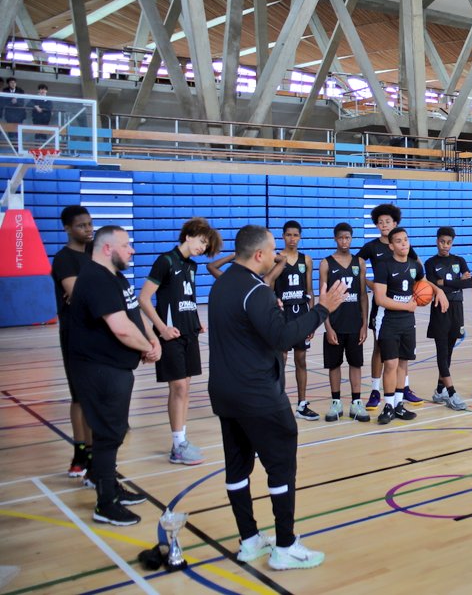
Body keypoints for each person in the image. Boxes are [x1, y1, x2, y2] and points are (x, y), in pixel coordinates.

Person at [207, 225, 344, 569]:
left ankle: (249, 540)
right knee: (281, 468)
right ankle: (285, 546)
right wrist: (322, 309)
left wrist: (270, 313)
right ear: (258, 255)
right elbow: (283, 338)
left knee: (237, 468)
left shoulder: (222, 285)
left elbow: (251, 331)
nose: (276, 255)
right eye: (272, 251)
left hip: (225, 393)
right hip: (257, 395)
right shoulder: (256, 291)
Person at [67, 225, 160, 526]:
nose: (132, 250)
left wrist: (151, 337)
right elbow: (120, 329)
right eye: (126, 245)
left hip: (114, 369)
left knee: (112, 432)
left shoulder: (114, 277)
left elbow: (132, 313)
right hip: (99, 370)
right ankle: (105, 503)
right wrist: (148, 348)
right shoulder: (96, 279)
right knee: (109, 434)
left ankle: (105, 481)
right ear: (107, 248)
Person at [138, 218, 222, 465]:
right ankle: (177, 447)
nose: (202, 248)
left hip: (189, 333)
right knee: (179, 388)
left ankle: (181, 440)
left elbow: (187, 298)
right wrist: (161, 329)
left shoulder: (191, 266)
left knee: (185, 388)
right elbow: (144, 299)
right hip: (170, 335)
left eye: (206, 246)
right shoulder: (165, 261)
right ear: (188, 235)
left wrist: (195, 321)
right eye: (202, 242)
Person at [356, 204, 422, 410]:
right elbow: (355, 266)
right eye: (380, 222)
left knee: (402, 354)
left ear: (395, 223)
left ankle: (404, 389)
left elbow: (418, 270)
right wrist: (370, 284)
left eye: (388, 221)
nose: (384, 225)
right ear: (376, 225)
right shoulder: (371, 247)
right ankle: (375, 390)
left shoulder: (404, 246)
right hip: (384, 306)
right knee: (380, 347)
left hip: (403, 306)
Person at [373, 227, 438, 424]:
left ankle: (399, 405)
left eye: (406, 240)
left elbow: (424, 285)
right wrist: (407, 306)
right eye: (399, 241)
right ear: (391, 246)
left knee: (403, 363)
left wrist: (439, 292)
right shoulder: (384, 266)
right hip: (388, 320)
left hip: (408, 322)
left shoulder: (415, 266)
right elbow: (380, 299)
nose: (404, 243)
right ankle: (388, 406)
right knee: (390, 364)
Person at [50, 205, 94, 477]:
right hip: (75, 334)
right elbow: (77, 294)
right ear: (67, 228)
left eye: (90, 224)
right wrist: (88, 291)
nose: (88, 229)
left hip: (98, 333)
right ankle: (81, 452)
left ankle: (95, 451)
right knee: (79, 396)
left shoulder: (94, 254)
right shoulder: (64, 259)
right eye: (81, 225)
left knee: (95, 396)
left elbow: (107, 288)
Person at [264, 221, 317, 420]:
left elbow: (310, 291)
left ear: (300, 237)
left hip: (301, 313)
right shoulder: (276, 260)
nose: (292, 238)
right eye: (288, 235)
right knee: (282, 359)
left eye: (295, 235)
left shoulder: (306, 260)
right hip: (283, 314)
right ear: (283, 236)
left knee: (301, 359)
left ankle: (302, 404)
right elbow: (269, 289)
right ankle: (277, 402)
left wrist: (312, 320)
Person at [320, 222, 370, 423]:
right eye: (340, 238)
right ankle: (336, 402)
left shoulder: (360, 263)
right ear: (335, 239)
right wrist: (327, 326)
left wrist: (364, 324)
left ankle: (356, 403)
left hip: (355, 323)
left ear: (351, 238)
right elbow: (323, 298)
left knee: (355, 363)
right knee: (334, 365)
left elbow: (363, 295)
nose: (344, 241)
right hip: (335, 323)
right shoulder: (326, 263)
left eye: (347, 238)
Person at [424, 226, 472, 410]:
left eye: (449, 242)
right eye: (442, 242)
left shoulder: (459, 260)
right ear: (437, 241)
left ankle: (439, 390)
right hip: (440, 309)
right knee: (442, 351)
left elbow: (469, 282)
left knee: (449, 351)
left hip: (457, 308)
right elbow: (432, 285)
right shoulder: (430, 263)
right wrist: (457, 283)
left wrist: (444, 282)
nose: (445, 245)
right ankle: (451, 393)